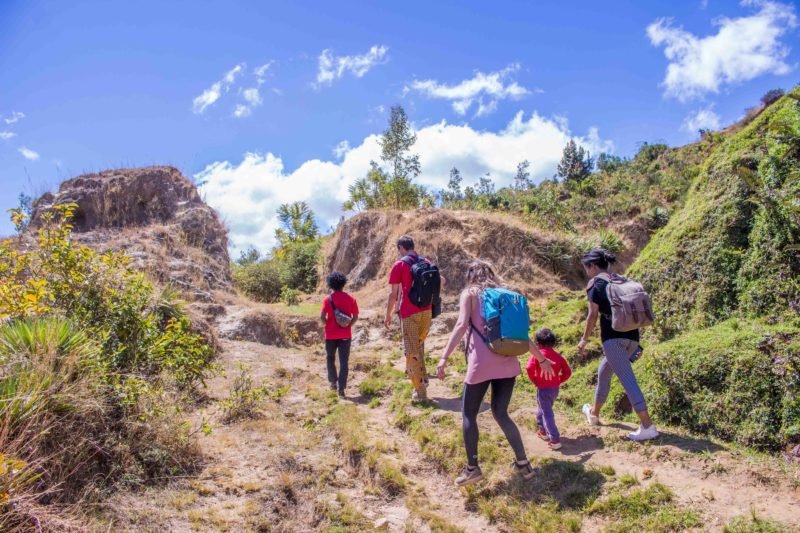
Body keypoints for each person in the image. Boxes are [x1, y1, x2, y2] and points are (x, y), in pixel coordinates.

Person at [437, 260, 556, 486]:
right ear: (492, 274)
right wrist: (541, 359)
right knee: (501, 413)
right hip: (508, 363)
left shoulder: (470, 294)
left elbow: (462, 325)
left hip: (481, 364)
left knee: (469, 413)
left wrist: (444, 357)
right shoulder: (507, 295)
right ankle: (524, 464)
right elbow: (521, 336)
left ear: (470, 275)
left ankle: (472, 468)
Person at [577, 249, 659, 441]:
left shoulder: (596, 284)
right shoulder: (620, 280)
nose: (586, 271)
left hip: (613, 340)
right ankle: (594, 414)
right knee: (604, 371)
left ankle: (647, 426)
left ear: (594, 266)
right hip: (632, 338)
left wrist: (584, 339)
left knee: (628, 380)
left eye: (587, 267)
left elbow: (592, 315)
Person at [385, 235, 435, 401]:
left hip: (409, 313)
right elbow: (441, 280)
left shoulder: (400, 264)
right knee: (419, 346)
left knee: (411, 352)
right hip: (427, 311)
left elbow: (393, 295)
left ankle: (420, 393)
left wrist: (388, 315)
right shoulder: (426, 261)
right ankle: (424, 380)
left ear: (401, 247)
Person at [525, 328, 572, 451]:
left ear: (538, 343)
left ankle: (555, 439)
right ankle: (542, 431)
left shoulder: (538, 355)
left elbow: (528, 368)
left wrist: (535, 379)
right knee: (544, 408)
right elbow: (568, 372)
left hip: (543, 388)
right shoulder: (558, 356)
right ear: (553, 343)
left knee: (547, 413)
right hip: (554, 389)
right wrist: (559, 380)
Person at [320, 271, 359, 398]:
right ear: (343, 284)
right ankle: (341, 389)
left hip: (330, 335)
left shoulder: (328, 299)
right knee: (344, 362)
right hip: (345, 336)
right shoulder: (351, 299)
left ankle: (333, 382)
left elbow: (322, 317)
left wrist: (327, 324)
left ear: (331, 285)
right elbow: (355, 316)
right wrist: (348, 326)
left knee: (330, 358)